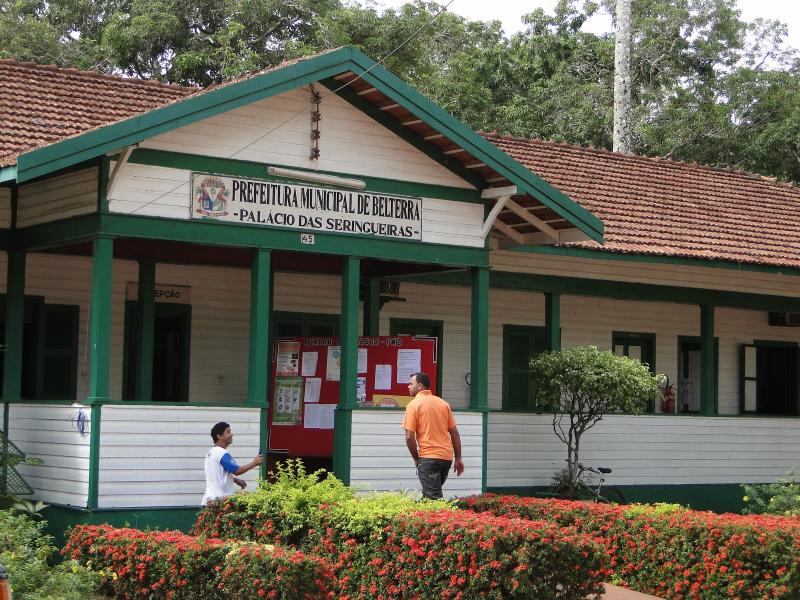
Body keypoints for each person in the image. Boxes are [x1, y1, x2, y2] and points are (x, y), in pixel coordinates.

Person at [402, 372, 464, 499]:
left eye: (411, 384)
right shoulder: (443, 404)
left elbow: (409, 437)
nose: (408, 386)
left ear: (420, 386)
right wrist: (458, 458)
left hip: (428, 459)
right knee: (429, 495)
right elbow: (454, 433)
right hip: (446, 459)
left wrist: (416, 458)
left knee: (433, 499)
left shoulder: (413, 405)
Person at [202, 421, 262, 506]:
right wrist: (254, 463)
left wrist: (233, 479)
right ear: (219, 436)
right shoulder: (221, 453)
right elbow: (236, 471)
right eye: (228, 432)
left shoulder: (211, 452)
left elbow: (216, 475)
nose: (232, 434)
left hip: (210, 500)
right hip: (219, 502)